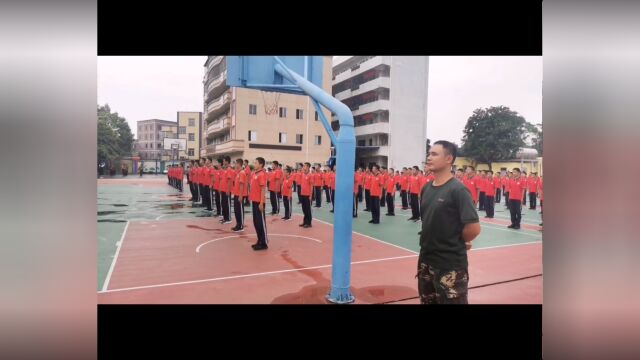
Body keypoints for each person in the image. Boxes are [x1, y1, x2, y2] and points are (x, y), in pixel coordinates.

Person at [417, 140, 480, 304]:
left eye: (434, 154)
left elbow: (473, 228)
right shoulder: (426, 188)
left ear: (449, 159)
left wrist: (456, 240)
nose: (429, 157)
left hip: (449, 265)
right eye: (429, 154)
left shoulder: (458, 190)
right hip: (426, 260)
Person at [250, 157, 269, 251]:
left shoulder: (262, 174)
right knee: (256, 222)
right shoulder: (254, 173)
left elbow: (263, 189)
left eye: (256, 162)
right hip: (254, 200)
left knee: (261, 222)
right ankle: (259, 240)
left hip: (259, 202)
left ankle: (264, 242)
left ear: (261, 164)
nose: (254, 163)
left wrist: (261, 202)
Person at [231, 158, 247, 232]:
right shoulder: (238, 172)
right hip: (236, 194)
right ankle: (238, 224)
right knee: (236, 210)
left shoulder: (242, 173)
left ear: (239, 164)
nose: (235, 165)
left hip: (240, 195)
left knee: (240, 210)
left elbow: (241, 185)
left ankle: (241, 226)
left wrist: (240, 196)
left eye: (236, 163)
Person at [299, 162, 314, 228]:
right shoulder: (302, 174)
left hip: (308, 195)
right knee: (304, 209)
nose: (303, 167)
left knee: (308, 209)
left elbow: (311, 186)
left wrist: (311, 195)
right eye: (303, 166)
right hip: (302, 194)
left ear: (308, 167)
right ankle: (305, 221)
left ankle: (309, 223)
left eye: (305, 166)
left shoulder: (310, 175)